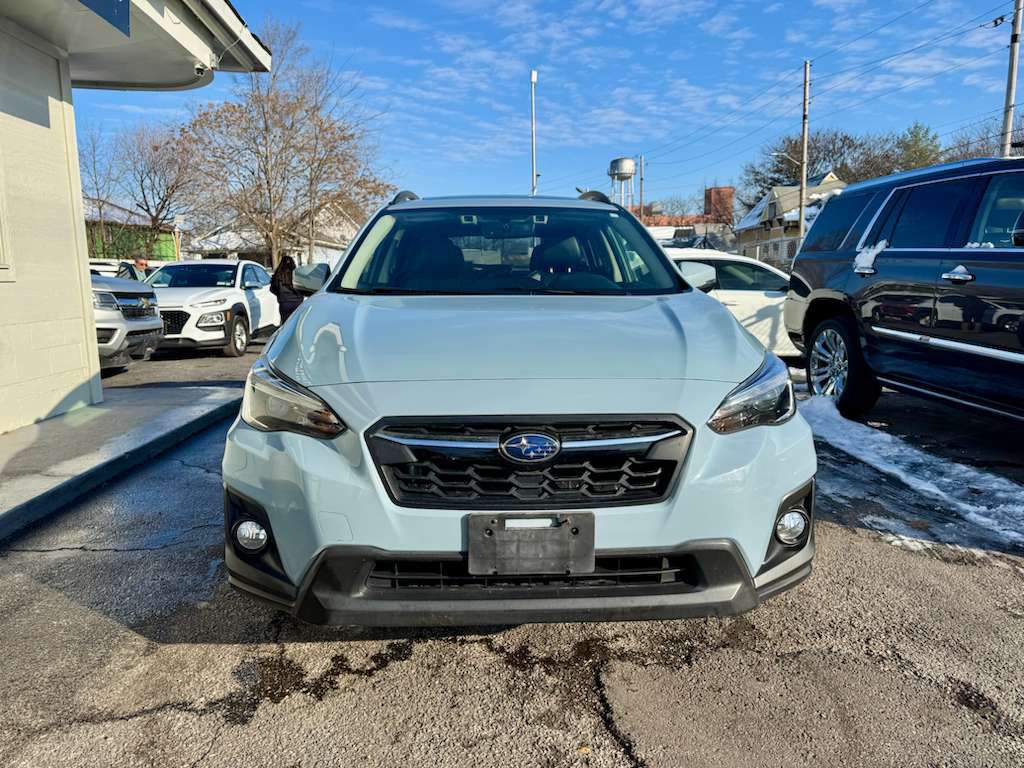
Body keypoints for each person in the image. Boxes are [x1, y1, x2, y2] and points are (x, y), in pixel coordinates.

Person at [270, 255, 304, 323]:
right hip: (297, 302)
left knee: (286, 325)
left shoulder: (278, 275)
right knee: (297, 324)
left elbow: (272, 288)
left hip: (284, 302)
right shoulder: (298, 274)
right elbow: (303, 288)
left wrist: (279, 294)